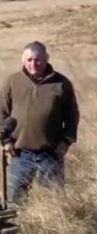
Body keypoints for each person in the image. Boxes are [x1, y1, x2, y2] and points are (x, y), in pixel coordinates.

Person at [0, 41, 79, 205]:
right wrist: (6, 141)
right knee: (15, 201)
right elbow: (2, 113)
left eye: (37, 59)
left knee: (54, 202)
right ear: (23, 60)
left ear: (46, 59)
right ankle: (21, 229)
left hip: (51, 153)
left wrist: (66, 142)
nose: (33, 64)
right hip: (19, 154)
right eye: (29, 60)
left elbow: (72, 116)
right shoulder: (12, 82)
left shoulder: (61, 83)